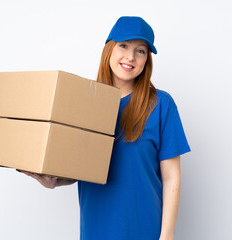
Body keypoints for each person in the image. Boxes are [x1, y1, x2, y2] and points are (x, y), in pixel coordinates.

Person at [21, 16, 190, 240]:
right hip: (96, 228)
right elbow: (84, 168)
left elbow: (171, 176)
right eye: (124, 46)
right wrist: (54, 181)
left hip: (143, 229)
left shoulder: (161, 104)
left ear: (147, 59)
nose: (131, 56)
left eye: (141, 50)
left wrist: (167, 236)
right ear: (109, 48)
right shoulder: (84, 101)